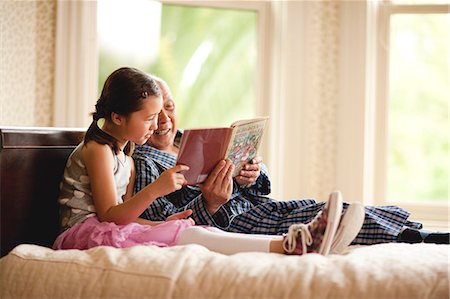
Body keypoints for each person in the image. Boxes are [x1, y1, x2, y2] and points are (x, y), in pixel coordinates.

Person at [52, 67, 364, 256]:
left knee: (193, 231)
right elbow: (109, 216)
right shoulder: (97, 150)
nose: (156, 124)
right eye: (148, 118)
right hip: (85, 235)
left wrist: (160, 224)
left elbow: (121, 218)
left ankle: (296, 242)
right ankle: (290, 245)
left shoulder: (120, 150)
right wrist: (154, 192)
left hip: (108, 227)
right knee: (196, 234)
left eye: (163, 112)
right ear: (118, 117)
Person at [133, 76, 449, 249]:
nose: (164, 119)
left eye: (170, 107)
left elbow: (261, 185)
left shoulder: (192, 139)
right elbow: (163, 227)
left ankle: (419, 233)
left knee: (327, 206)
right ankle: (425, 240)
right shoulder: (145, 162)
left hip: (259, 205)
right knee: (327, 217)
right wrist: (211, 204)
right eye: (153, 114)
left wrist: (252, 172)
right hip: (236, 224)